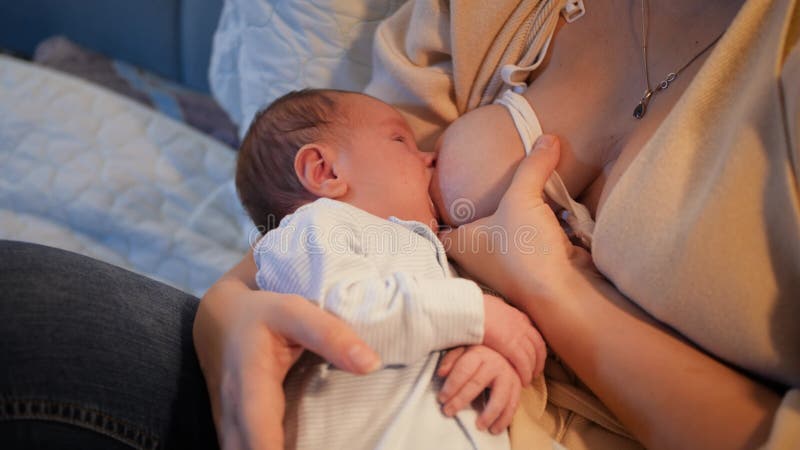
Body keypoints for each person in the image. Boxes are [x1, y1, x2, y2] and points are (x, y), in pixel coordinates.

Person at [1, 1, 797, 449]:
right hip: (342, 407)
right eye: (406, 146)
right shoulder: (501, 15)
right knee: (26, 309)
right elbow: (336, 226)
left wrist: (543, 290)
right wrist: (229, 313)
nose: (423, 159)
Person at [233, 88, 546, 449]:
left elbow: (426, 323)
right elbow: (342, 319)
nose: (430, 157)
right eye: (400, 140)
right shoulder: (310, 229)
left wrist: (488, 357)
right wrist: (477, 313)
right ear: (325, 171)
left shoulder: (423, 250)